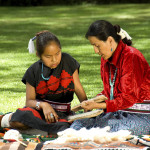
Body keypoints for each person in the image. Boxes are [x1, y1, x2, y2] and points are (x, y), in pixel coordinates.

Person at [70, 20, 150, 135]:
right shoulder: (105, 59)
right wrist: (93, 101)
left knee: (111, 131)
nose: (95, 51)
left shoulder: (132, 57)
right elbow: (109, 91)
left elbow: (129, 98)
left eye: (97, 46)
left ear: (110, 41)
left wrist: (98, 105)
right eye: (93, 46)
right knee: (80, 124)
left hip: (141, 116)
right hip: (117, 112)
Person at [0, 30, 87, 134]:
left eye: (57, 53)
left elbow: (78, 88)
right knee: (20, 118)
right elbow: (29, 102)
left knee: (65, 128)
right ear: (38, 55)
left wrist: (86, 106)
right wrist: (44, 105)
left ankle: (35, 130)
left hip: (61, 114)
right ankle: (4, 120)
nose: (54, 59)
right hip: (38, 112)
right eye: (48, 56)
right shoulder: (32, 71)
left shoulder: (68, 61)